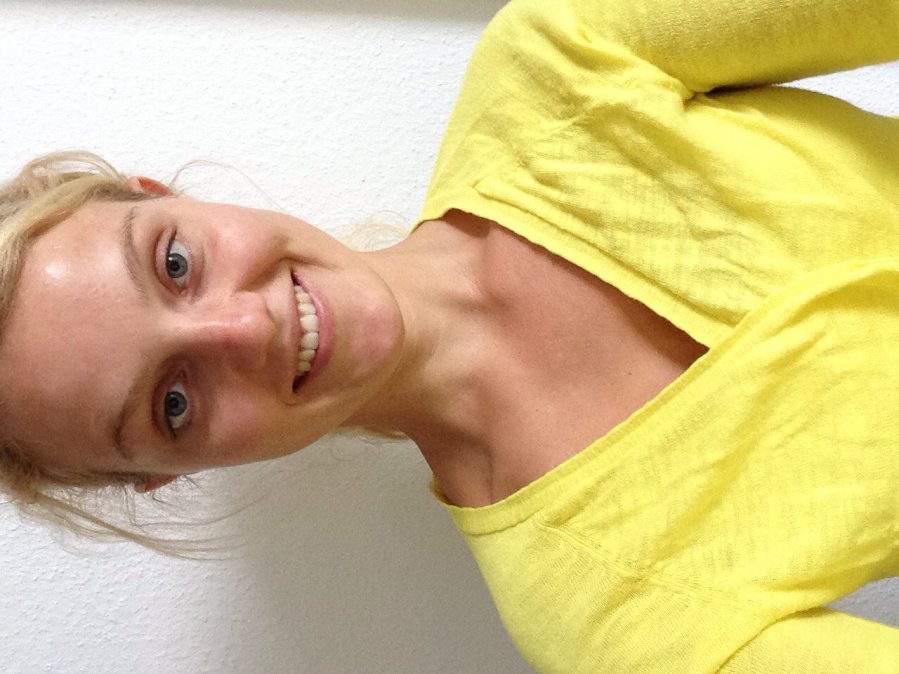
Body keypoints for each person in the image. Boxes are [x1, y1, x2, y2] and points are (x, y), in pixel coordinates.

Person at [1, 0, 898, 670]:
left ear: (164, 196)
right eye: (173, 401)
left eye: (174, 264)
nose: (246, 327)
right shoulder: (598, 612)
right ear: (170, 471)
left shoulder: (556, 63)